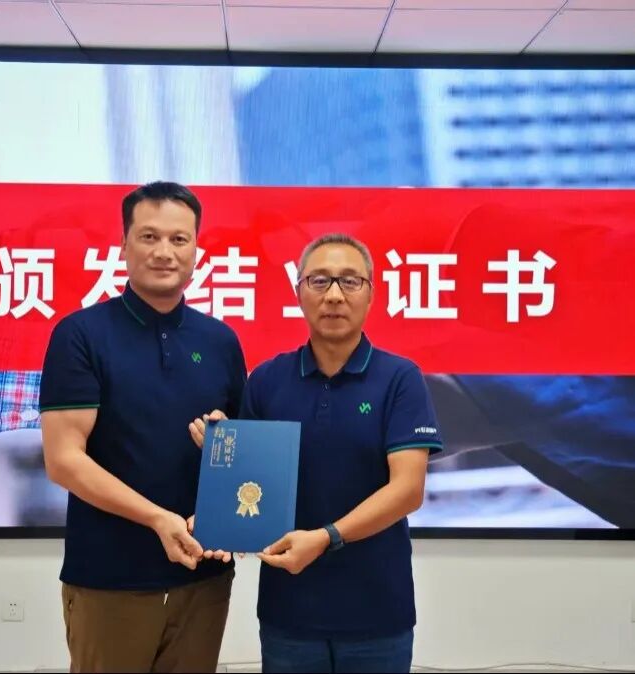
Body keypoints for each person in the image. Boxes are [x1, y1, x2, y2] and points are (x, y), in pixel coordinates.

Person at [191, 233, 442, 673]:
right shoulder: (267, 380)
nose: (334, 295)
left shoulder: (400, 378)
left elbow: (407, 490)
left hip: (377, 610)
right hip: (289, 612)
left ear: (371, 293)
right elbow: (251, 485)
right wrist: (219, 455)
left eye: (350, 281)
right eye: (320, 280)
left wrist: (326, 538)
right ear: (299, 292)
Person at [40, 181, 247, 673]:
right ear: (124, 244)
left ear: (196, 250)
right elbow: (64, 460)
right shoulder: (81, 335)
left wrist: (226, 444)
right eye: (149, 237)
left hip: (203, 577)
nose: (164, 252)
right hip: (110, 581)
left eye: (179, 239)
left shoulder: (220, 341)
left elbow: (243, 455)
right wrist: (157, 518)